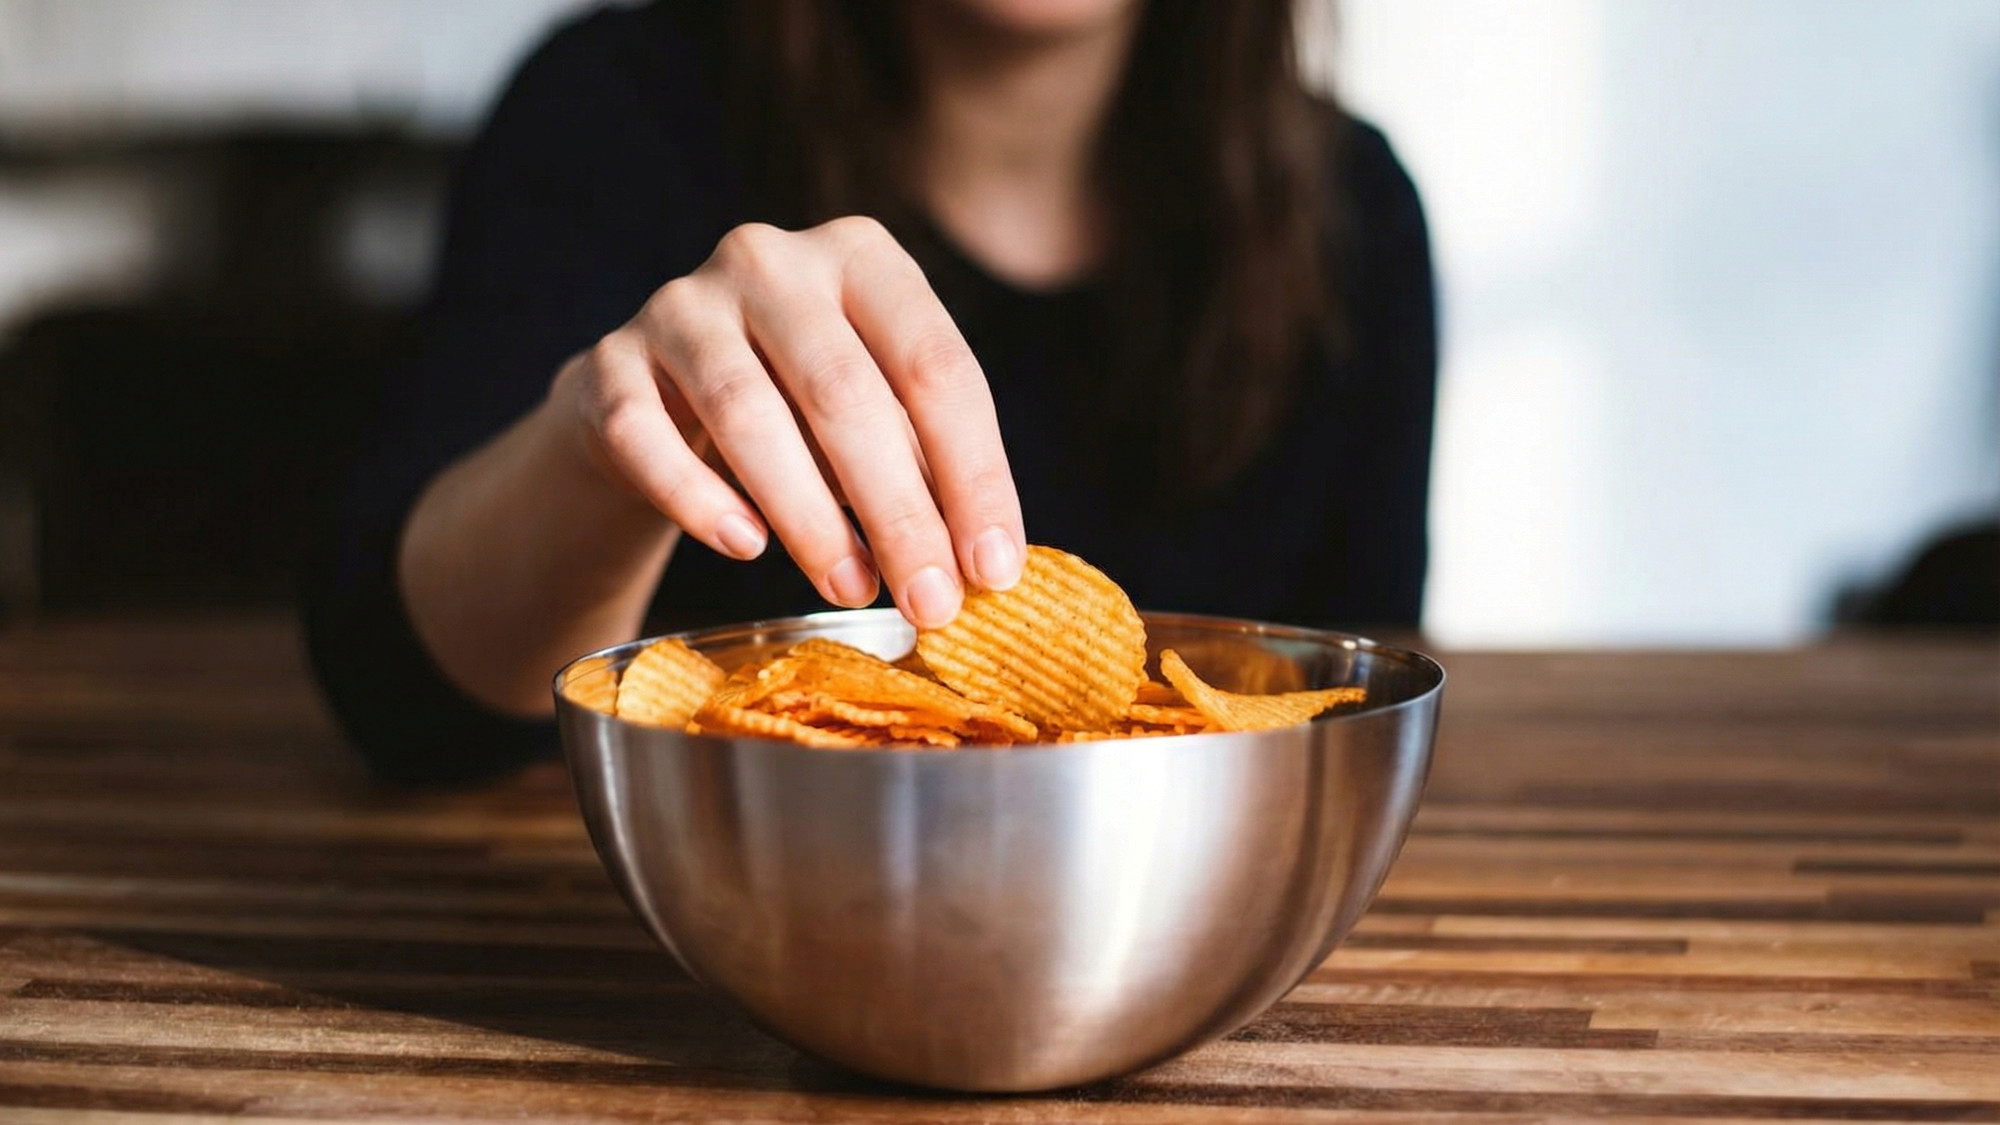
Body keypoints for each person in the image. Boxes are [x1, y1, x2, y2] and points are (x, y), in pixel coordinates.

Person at [304, 0, 1437, 783]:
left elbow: (1355, 713)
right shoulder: (612, 115)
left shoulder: (1351, 221)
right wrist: (604, 446)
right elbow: (399, 700)